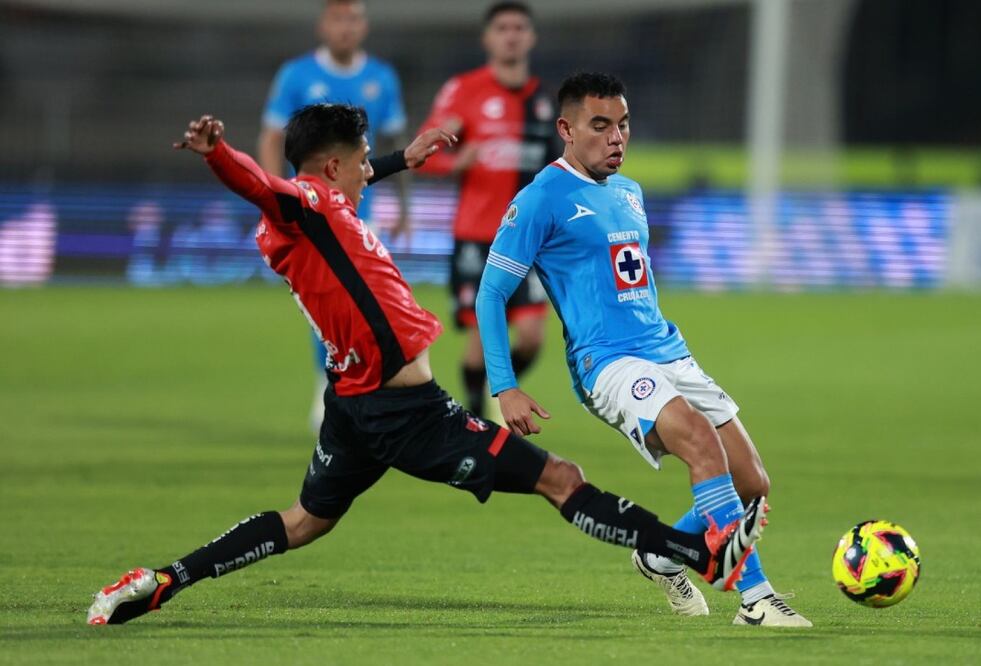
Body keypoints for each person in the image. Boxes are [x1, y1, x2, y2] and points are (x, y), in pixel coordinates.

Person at [85, 105, 765, 625]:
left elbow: (329, 184)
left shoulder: (326, 206)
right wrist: (218, 155)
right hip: (406, 414)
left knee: (305, 520)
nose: (363, 175)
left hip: (352, 405)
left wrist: (401, 159)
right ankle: (694, 553)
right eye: (357, 164)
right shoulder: (311, 205)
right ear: (328, 171)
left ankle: (165, 580)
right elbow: (267, 187)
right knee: (561, 478)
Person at [475, 73, 811, 627]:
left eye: (623, 125)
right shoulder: (540, 199)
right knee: (701, 443)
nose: (616, 138)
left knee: (752, 484)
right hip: (605, 362)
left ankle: (660, 553)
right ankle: (756, 599)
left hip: (668, 351)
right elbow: (490, 294)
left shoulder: (630, 193)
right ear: (566, 128)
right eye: (600, 125)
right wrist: (504, 385)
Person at [257, 0, 410, 430]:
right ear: (324, 24)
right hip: (311, 211)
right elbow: (270, 138)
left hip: (364, 210)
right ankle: (328, 388)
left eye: (355, 19)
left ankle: (362, 387)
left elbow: (394, 138)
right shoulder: (296, 75)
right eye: (339, 18)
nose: (347, 27)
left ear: (364, 26)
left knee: (368, 303)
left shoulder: (382, 78)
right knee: (327, 305)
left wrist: (404, 205)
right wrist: (276, 199)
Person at [417, 1, 557, 419]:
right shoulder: (463, 91)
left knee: (532, 336)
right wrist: (453, 161)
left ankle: (504, 393)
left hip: (530, 237)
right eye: (502, 28)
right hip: (478, 235)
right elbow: (424, 154)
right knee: (481, 335)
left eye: (519, 27)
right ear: (488, 38)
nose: (511, 35)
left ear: (530, 37)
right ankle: (477, 414)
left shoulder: (545, 102)